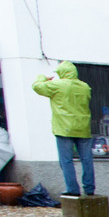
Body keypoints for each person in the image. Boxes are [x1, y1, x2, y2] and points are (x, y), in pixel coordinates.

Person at [32, 61, 93, 197]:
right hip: (83, 127)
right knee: (87, 159)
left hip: (64, 128)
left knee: (66, 160)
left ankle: (72, 189)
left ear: (61, 73)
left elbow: (36, 87)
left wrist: (42, 77)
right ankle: (89, 189)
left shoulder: (57, 85)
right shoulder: (85, 86)